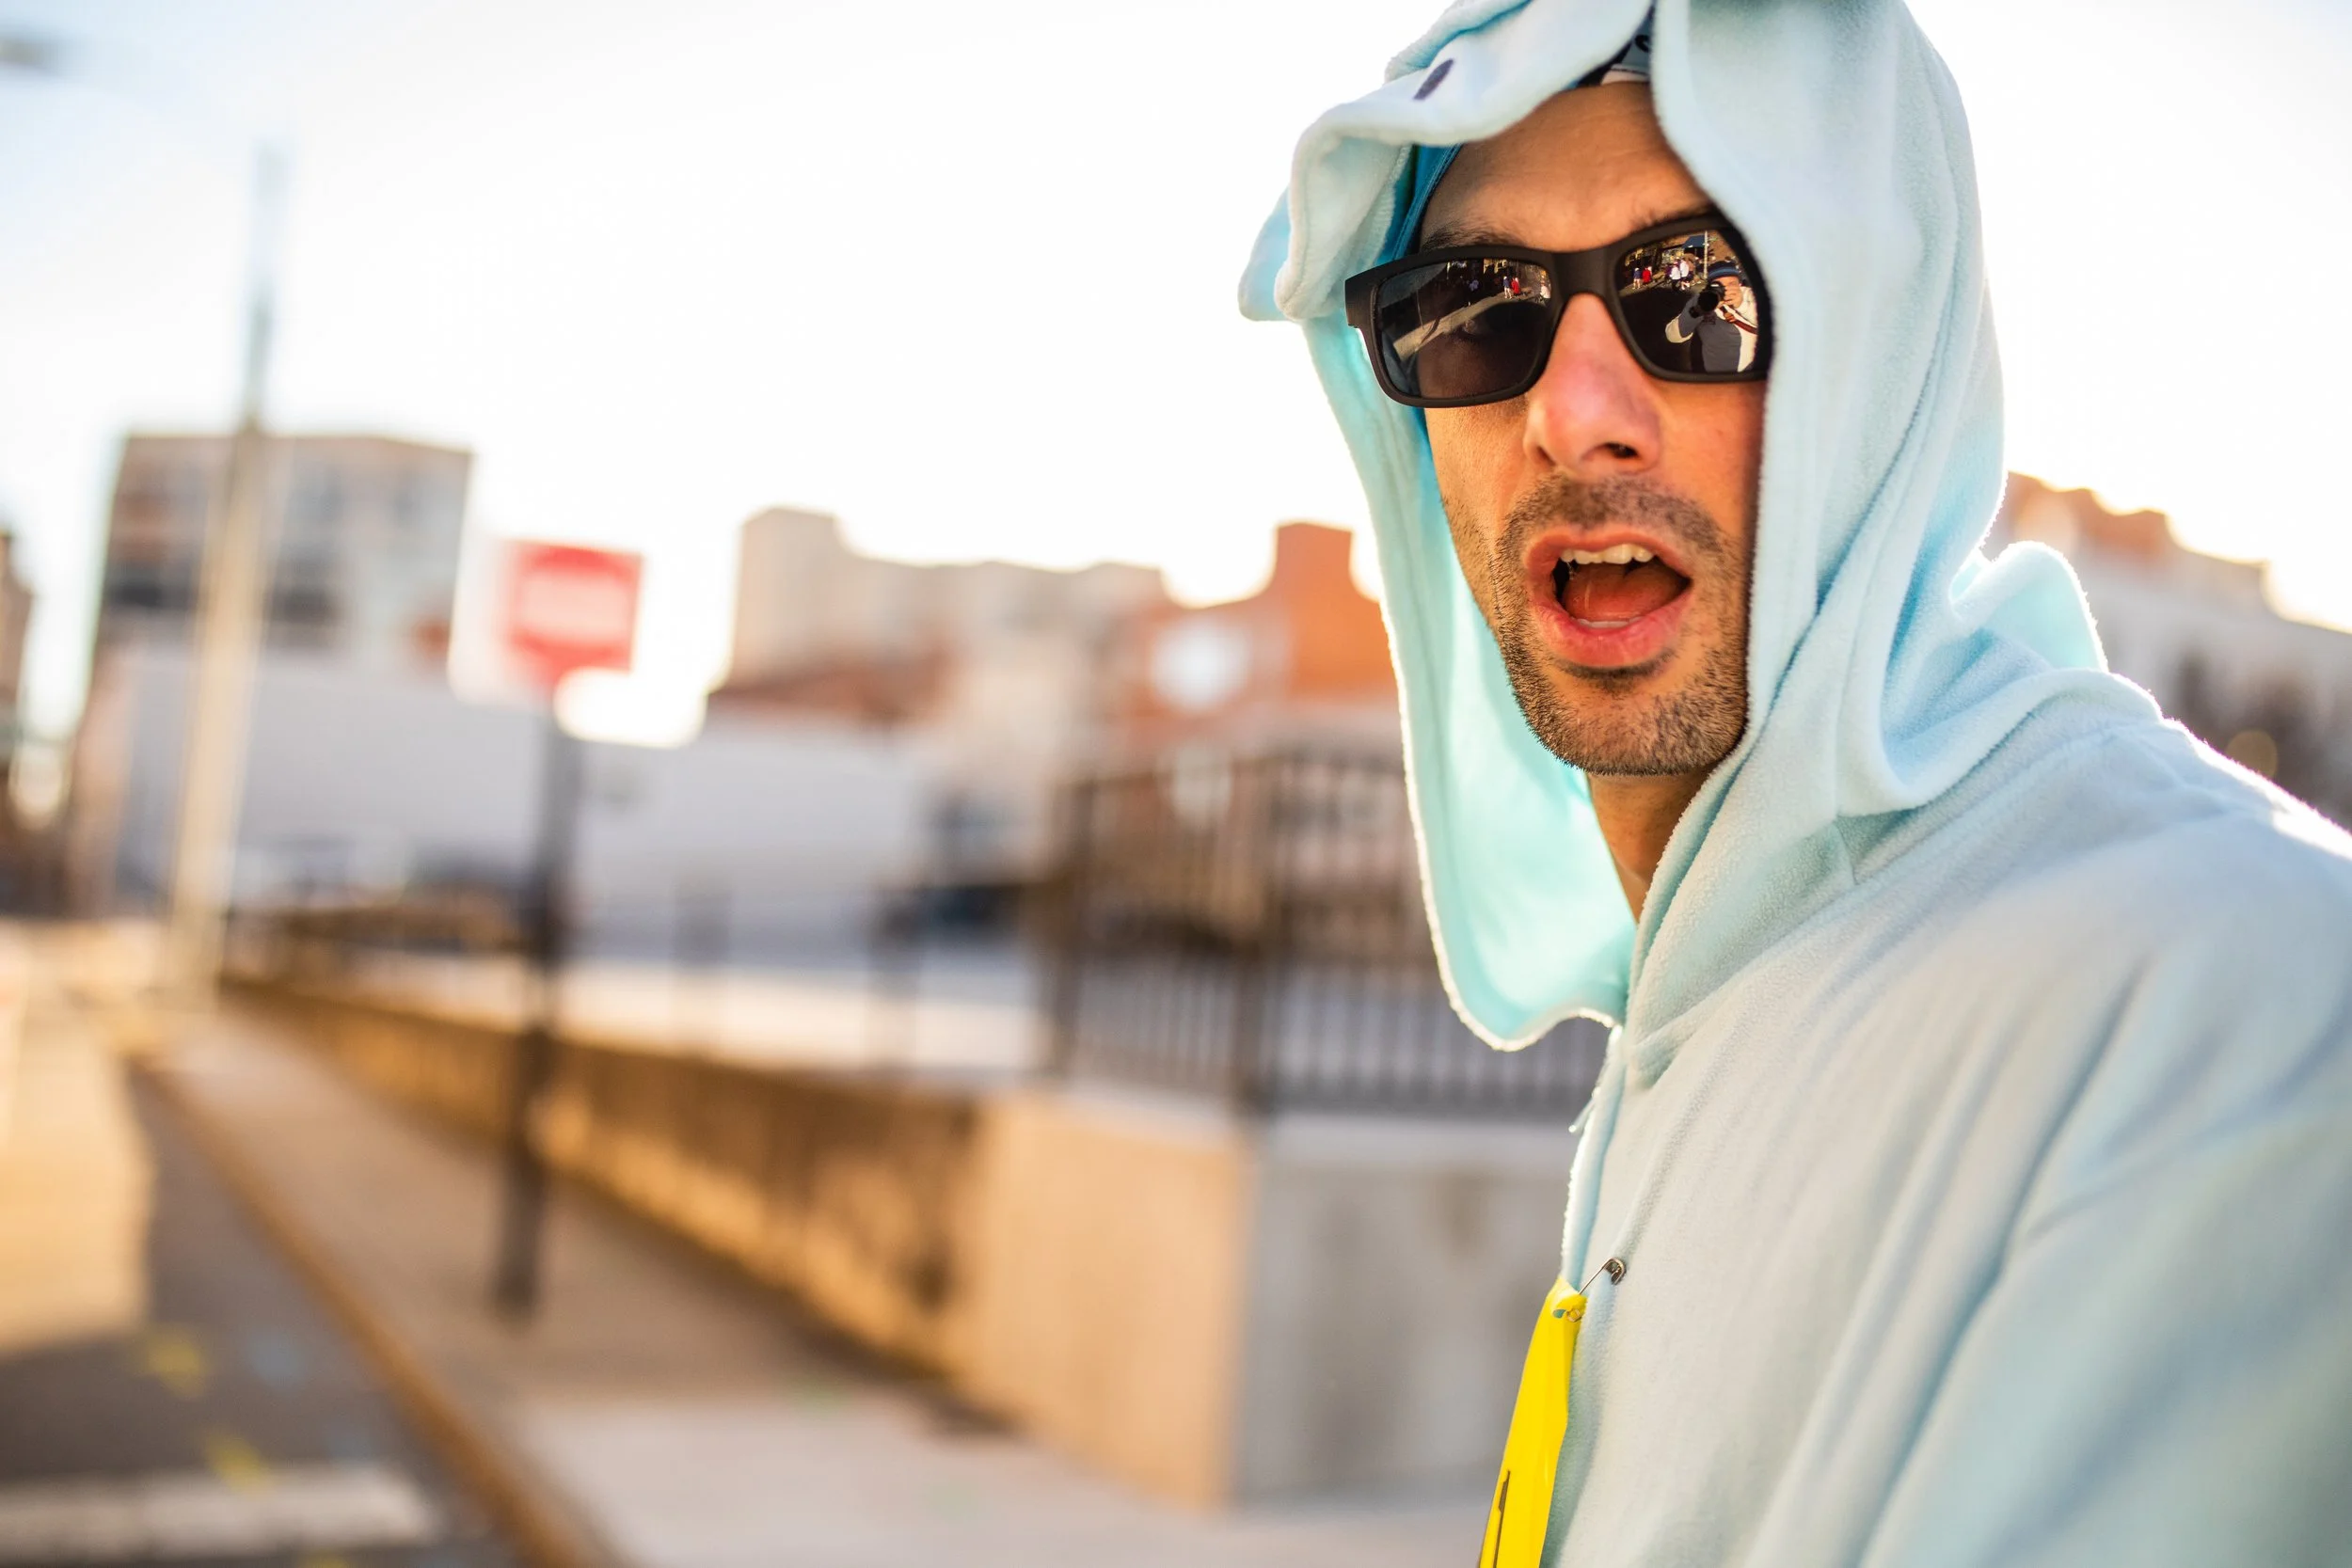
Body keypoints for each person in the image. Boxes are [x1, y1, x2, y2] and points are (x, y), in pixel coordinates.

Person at [1239, 3, 2352, 1565]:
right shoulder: (1706, 1005)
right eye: (1474, 309)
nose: (1572, 409)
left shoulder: (2241, 992)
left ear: (1881, 367)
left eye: (1694, 294)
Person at [1661, 258, 1759, 372]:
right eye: (1718, 285)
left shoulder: (1750, 295)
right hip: (1717, 378)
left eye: (1731, 283)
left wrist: (1742, 305)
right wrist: (1699, 311)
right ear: (1709, 286)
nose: (1725, 289)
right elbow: (1673, 336)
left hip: (1753, 373)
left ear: (1740, 283)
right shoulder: (1700, 300)